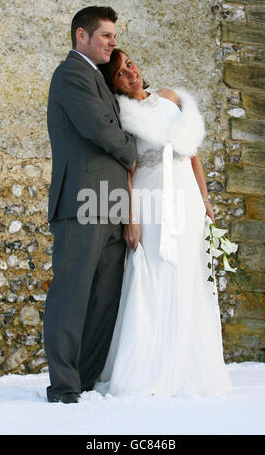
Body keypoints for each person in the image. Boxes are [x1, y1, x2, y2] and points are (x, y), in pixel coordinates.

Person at [96, 49, 232, 396]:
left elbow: (193, 155)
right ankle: (148, 368)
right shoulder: (122, 116)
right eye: (120, 74)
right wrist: (131, 217)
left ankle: (187, 364)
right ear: (114, 85)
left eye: (130, 63)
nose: (130, 73)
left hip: (186, 197)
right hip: (151, 199)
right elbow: (128, 170)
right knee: (153, 271)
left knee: (189, 272)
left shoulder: (171, 98)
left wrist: (204, 201)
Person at [44, 8, 137, 404]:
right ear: (81, 35)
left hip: (112, 204)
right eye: (106, 35)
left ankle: (85, 380)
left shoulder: (97, 76)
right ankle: (64, 386)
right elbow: (101, 128)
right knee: (72, 294)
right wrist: (137, 153)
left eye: (114, 35)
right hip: (82, 202)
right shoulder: (71, 74)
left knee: (104, 300)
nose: (113, 42)